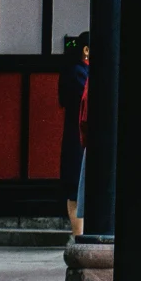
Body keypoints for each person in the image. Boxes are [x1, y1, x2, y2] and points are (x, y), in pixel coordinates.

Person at [57, 33, 89, 235]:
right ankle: (78, 235)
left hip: (76, 135)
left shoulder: (75, 71)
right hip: (77, 135)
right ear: (86, 50)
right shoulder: (79, 73)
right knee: (75, 188)